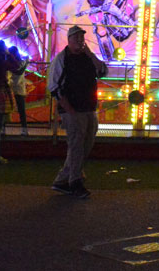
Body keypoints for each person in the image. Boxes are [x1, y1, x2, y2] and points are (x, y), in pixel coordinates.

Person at [48, 24, 108, 199]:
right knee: (76, 145)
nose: (80, 42)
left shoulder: (87, 58)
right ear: (69, 40)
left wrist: (90, 54)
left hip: (89, 107)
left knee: (86, 144)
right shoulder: (61, 59)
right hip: (73, 109)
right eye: (76, 39)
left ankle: (62, 180)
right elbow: (55, 87)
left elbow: (103, 71)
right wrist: (69, 110)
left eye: (82, 38)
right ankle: (75, 181)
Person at [9, 54, 30, 135]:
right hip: (20, 88)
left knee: (4, 108)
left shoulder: (8, 62)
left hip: (9, 87)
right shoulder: (22, 63)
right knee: (21, 110)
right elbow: (21, 70)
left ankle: (2, 128)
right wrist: (26, 60)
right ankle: (24, 129)